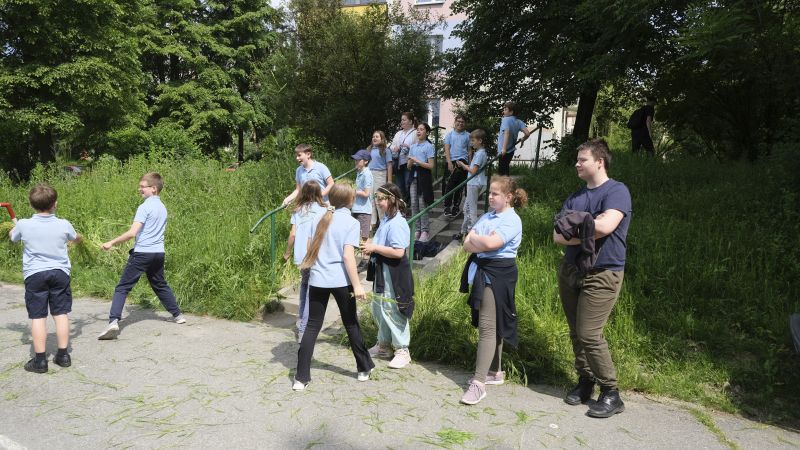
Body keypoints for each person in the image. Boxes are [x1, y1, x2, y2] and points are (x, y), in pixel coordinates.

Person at [554, 139, 631, 418]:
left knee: (589, 333)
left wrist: (576, 224)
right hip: (571, 270)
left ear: (599, 162)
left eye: (582, 159)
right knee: (576, 332)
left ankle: (611, 392)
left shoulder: (617, 191)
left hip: (603, 271)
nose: (577, 163)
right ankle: (585, 381)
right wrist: (586, 223)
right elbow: (556, 235)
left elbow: (606, 226)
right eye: (577, 159)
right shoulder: (575, 197)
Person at [293, 183, 374, 390]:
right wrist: (357, 286)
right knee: (351, 323)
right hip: (340, 281)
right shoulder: (352, 223)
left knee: (312, 326)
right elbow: (348, 257)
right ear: (351, 200)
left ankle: (301, 378)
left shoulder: (318, 217)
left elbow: (309, 248)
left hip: (317, 279)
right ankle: (363, 368)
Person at [459, 175, 527, 405]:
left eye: (495, 193)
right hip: (484, 270)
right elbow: (467, 242)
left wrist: (478, 241)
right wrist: (478, 240)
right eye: (489, 192)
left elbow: (490, 244)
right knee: (493, 324)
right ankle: (494, 372)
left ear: (508, 197)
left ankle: (479, 384)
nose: (490, 196)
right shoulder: (488, 216)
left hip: (498, 274)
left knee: (488, 328)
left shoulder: (511, 220)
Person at [98, 172, 185, 340]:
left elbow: (132, 233)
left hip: (143, 253)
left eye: (142, 187)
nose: (140, 189)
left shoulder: (144, 207)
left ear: (153, 188)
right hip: (158, 253)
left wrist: (111, 242)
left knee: (122, 287)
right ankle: (178, 315)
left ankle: (113, 322)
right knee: (159, 284)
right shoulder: (162, 207)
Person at [9, 183, 82, 373]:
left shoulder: (23, 224)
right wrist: (79, 239)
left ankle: (40, 361)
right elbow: (75, 238)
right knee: (60, 314)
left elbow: (12, 237)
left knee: (38, 317)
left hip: (35, 275)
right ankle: (63, 355)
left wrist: (15, 228)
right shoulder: (63, 224)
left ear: (31, 205)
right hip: (59, 273)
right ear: (55, 204)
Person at [363, 183, 414, 369]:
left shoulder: (398, 223)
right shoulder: (386, 220)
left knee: (393, 307)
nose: (378, 202)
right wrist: (370, 249)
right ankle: (383, 345)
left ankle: (402, 350)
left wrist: (375, 248)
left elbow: (399, 252)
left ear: (392, 200)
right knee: (379, 307)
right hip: (381, 270)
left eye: (381, 199)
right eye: (377, 198)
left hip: (394, 272)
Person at [283, 181, 327, 343]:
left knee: (304, 286)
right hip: (315, 255)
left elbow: (292, 235)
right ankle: (304, 329)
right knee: (311, 291)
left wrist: (287, 252)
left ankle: (301, 319)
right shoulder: (324, 211)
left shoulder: (298, 210)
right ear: (318, 194)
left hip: (301, 256)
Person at [454, 129, 488, 241]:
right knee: (466, 208)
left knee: (471, 209)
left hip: (474, 183)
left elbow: (473, 171)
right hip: (474, 183)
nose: (471, 143)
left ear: (480, 141)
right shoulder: (479, 153)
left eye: (473, 140)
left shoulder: (480, 154)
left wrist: (463, 165)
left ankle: (472, 234)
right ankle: (464, 231)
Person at [406, 122, 435, 242]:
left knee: (423, 204)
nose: (418, 131)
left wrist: (417, 160)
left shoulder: (429, 146)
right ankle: (417, 230)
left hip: (424, 178)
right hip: (413, 177)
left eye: (422, 129)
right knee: (414, 204)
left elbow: (431, 166)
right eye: (417, 129)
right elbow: (408, 166)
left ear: (427, 133)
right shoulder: (413, 146)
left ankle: (425, 231)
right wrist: (411, 162)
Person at [442, 115, 470, 219]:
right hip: (452, 161)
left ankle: (456, 206)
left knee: (459, 186)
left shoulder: (468, 135)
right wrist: (449, 162)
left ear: (465, 123)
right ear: (455, 122)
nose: (460, 123)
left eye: (462, 122)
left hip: (463, 162)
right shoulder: (449, 135)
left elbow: (469, 151)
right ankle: (447, 207)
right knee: (449, 185)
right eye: (458, 121)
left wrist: (469, 165)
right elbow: (447, 149)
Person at [351, 149, 373, 272]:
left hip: (364, 210)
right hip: (356, 207)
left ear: (365, 161)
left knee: (364, 236)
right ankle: (355, 259)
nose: (356, 161)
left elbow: (366, 193)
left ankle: (366, 260)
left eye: (358, 160)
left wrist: (353, 191)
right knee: (355, 234)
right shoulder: (359, 172)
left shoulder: (366, 173)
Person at [497, 102, 531, 176]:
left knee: (501, 173)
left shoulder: (505, 119)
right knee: (506, 170)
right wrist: (523, 139)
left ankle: (504, 187)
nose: (503, 111)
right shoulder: (519, 121)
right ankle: (508, 186)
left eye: (505, 110)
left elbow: (507, 132)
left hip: (504, 151)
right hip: (511, 150)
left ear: (511, 112)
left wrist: (504, 149)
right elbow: (527, 133)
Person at [367, 130, 393, 228]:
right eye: (373, 136)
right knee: (370, 199)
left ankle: (383, 221)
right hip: (369, 174)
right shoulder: (369, 149)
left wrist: (389, 180)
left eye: (377, 136)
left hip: (380, 174)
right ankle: (372, 222)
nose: (374, 138)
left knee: (379, 198)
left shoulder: (385, 150)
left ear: (382, 139)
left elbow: (389, 165)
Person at [390, 112, 417, 203]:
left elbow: (419, 147)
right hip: (398, 162)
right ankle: (402, 205)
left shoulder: (416, 132)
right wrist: (395, 148)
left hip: (409, 163)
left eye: (404, 120)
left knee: (407, 184)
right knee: (399, 186)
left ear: (410, 121)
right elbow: (391, 146)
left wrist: (409, 147)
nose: (402, 122)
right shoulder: (398, 133)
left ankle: (408, 203)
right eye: (401, 120)